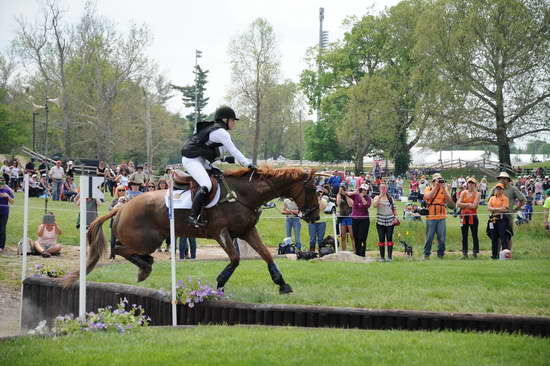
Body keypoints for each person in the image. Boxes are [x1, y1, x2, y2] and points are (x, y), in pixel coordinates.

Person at [181, 106, 255, 228]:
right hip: (191, 160)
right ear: (225, 120)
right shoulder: (221, 132)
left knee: (220, 175)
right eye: (232, 120)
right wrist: (247, 164)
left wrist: (229, 160)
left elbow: (214, 154)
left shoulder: (215, 130)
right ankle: (193, 217)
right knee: (206, 185)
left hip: (200, 159)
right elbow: (234, 150)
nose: (234, 123)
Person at [490, 172, 526, 250]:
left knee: (508, 235)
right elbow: (489, 200)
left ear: (508, 180)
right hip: (495, 216)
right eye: (500, 178)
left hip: (508, 216)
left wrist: (516, 209)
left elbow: (522, 200)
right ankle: (497, 253)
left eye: (504, 178)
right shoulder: (494, 188)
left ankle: (508, 253)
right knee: (497, 236)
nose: (502, 180)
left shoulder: (513, 189)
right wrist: (493, 209)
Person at [423, 173, 454, 259]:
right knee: (429, 237)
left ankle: (440, 255)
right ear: (433, 181)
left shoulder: (444, 189)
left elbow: (450, 202)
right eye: (437, 180)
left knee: (442, 238)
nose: (439, 181)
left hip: (441, 217)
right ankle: (426, 254)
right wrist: (436, 187)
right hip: (431, 217)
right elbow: (427, 196)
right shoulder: (428, 188)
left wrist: (444, 189)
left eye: (440, 179)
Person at [344, 184, 371, 257]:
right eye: (362, 189)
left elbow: (366, 205)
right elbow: (346, 193)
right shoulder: (355, 196)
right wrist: (355, 192)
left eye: (365, 190)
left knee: (362, 237)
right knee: (355, 237)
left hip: (364, 220)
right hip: (355, 219)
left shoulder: (368, 198)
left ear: (367, 191)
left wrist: (362, 197)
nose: (363, 191)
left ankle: (362, 254)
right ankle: (357, 253)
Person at [456, 177, 481, 259]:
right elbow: (458, 204)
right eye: (469, 183)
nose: (470, 184)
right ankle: (464, 253)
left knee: (474, 234)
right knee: (464, 235)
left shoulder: (477, 193)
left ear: (475, 184)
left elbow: (474, 206)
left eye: (472, 183)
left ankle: (475, 252)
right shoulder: (463, 192)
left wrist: (464, 204)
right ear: (467, 184)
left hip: (473, 216)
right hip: (463, 216)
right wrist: (468, 204)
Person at [373, 182, 397, 262]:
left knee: (389, 238)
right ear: (379, 189)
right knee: (381, 239)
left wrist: (395, 218)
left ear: (387, 189)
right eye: (382, 188)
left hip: (390, 221)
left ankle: (389, 257)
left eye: (385, 188)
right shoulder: (376, 197)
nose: (383, 189)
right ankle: (382, 257)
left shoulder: (390, 198)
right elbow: (375, 205)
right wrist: (380, 196)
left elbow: (394, 209)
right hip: (380, 221)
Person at [487, 183, 511, 259]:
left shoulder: (505, 198)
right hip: (493, 219)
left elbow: (504, 209)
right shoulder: (492, 198)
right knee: (494, 238)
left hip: (501, 219)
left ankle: (505, 256)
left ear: (503, 190)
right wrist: (498, 209)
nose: (498, 190)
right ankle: (494, 255)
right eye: (497, 188)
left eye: (500, 189)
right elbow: (488, 208)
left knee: (503, 237)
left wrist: (494, 209)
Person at [336, 182, 354, 252]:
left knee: (352, 235)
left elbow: (351, 205)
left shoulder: (349, 194)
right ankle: (344, 251)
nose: (342, 190)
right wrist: (339, 194)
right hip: (342, 217)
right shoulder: (339, 195)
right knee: (343, 236)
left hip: (349, 216)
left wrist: (346, 195)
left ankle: (354, 250)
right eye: (341, 188)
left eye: (344, 188)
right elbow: (338, 203)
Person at [0, 176, 15, 252]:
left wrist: (7, 196)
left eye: (2, 181)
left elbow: (12, 202)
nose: (1, 182)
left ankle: (1, 246)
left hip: (4, 212)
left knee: (2, 229)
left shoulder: (7, 190)